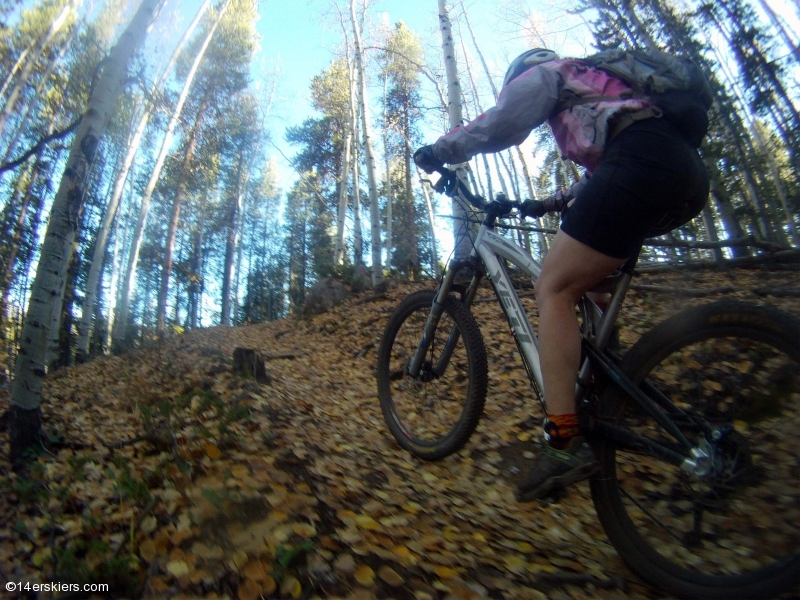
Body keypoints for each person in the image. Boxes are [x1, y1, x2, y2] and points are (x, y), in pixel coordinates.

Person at [414, 48, 709, 502]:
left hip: (643, 164)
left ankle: (563, 440)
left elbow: (502, 123)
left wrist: (439, 150)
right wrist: (547, 204)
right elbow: (612, 160)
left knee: (553, 288)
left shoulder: (546, 74)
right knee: (590, 287)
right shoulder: (599, 87)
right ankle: (613, 389)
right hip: (682, 172)